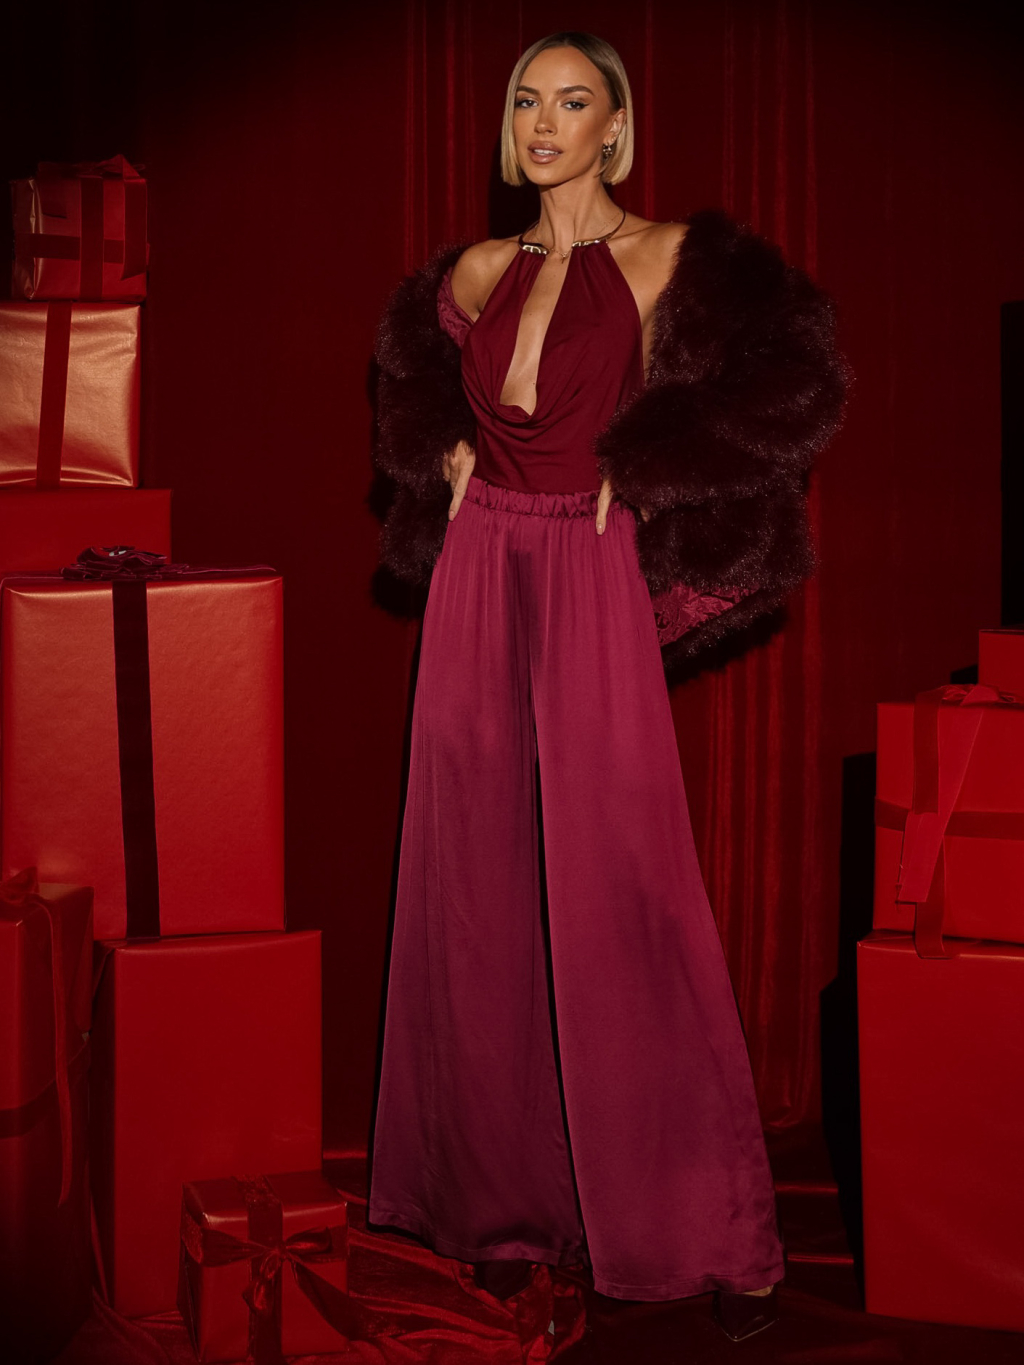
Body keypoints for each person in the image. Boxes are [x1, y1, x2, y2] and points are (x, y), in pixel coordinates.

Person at [366, 30, 848, 1343]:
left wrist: (653, 465)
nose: (544, 121)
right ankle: (503, 1212)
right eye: (527, 99)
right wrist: (440, 449)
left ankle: (711, 1229)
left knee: (626, 889)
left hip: (588, 573)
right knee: (479, 891)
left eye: (572, 101)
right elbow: (413, 389)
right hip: (479, 572)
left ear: (615, 129)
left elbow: (799, 371)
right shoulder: (472, 272)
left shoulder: (670, 256)